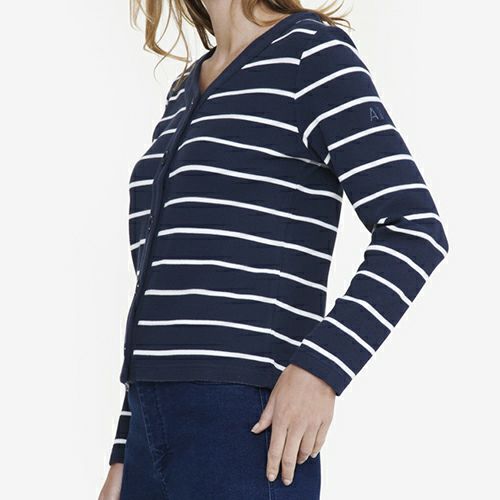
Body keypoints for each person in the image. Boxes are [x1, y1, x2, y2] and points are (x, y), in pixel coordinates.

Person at [99, 1, 449, 498]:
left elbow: (414, 228)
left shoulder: (310, 53)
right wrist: (123, 451)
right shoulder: (183, 91)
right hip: (148, 431)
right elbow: (160, 286)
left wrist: (321, 369)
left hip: (245, 424)